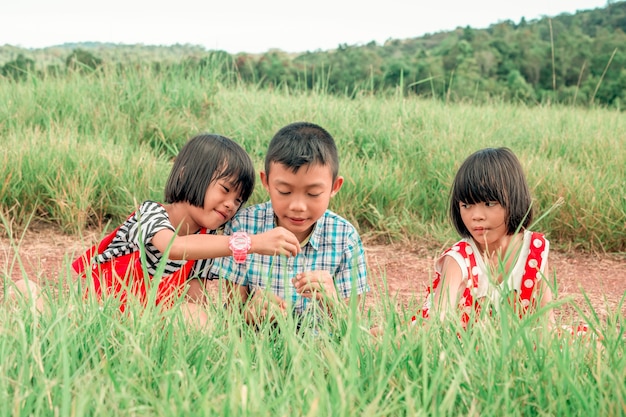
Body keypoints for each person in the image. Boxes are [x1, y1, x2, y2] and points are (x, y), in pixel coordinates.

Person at [10, 134, 300, 325]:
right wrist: (250, 242)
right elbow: (172, 247)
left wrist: (238, 318)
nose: (230, 205)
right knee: (23, 291)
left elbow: (193, 299)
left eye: (238, 200)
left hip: (139, 323)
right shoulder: (152, 213)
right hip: (86, 310)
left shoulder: (207, 241)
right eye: (224, 190)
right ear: (187, 175)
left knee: (197, 318)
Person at [210, 122, 369, 326]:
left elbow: (351, 327)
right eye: (284, 191)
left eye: (313, 194)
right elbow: (232, 314)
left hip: (319, 351)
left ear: (334, 187)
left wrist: (332, 300)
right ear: (266, 182)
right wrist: (250, 313)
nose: (298, 206)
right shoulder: (244, 226)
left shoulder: (344, 237)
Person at [416, 147, 554, 329]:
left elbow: (546, 323)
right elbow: (437, 321)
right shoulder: (460, 258)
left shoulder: (534, 252)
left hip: (511, 346)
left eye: (489, 203)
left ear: (514, 199)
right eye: (466, 205)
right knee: (395, 337)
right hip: (460, 343)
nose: (476, 216)